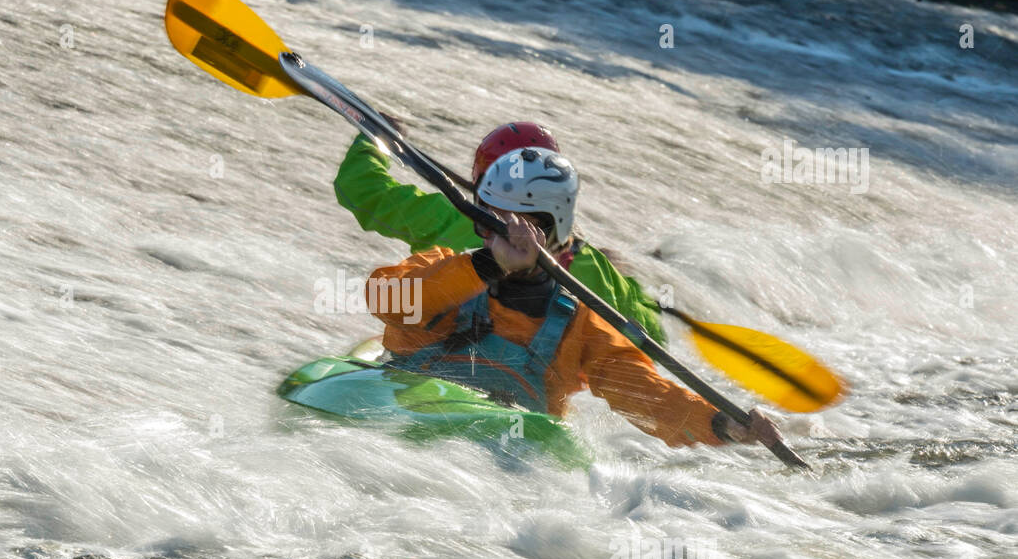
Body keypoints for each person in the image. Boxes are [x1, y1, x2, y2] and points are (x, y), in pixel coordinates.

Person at [367, 146, 782, 449]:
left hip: (497, 452)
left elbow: (648, 399)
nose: (494, 236)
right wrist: (485, 266)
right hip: (397, 427)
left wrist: (723, 424)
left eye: (514, 225)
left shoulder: (583, 326)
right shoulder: (439, 267)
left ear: (550, 232)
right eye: (487, 220)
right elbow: (386, 301)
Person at [335, 120, 668, 342]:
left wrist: (374, 142)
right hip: (524, 392)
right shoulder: (589, 265)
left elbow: (362, 190)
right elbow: (652, 336)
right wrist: (626, 284)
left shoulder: (450, 219)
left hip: (435, 365)